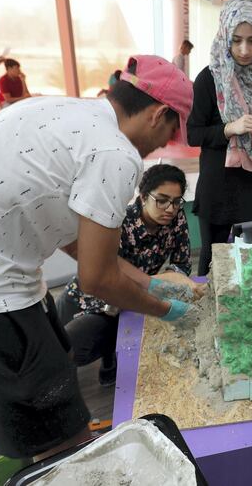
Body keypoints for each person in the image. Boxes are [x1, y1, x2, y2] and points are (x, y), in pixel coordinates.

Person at [0, 55, 195, 461]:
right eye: (168, 133)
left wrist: (149, 282)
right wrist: (165, 309)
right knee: (61, 445)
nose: (162, 146)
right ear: (159, 113)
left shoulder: (59, 109)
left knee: (58, 387)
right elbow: (97, 280)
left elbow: (73, 241)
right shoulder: (115, 153)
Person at [57, 164, 193, 386]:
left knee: (79, 345)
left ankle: (109, 356)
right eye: (162, 200)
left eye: (176, 202)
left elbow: (182, 263)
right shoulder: (119, 220)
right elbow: (106, 270)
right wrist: (156, 285)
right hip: (88, 294)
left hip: (125, 301)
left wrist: (168, 282)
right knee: (59, 346)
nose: (170, 208)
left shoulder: (176, 220)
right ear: (143, 197)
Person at [187, 0, 252, 277]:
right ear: (224, 37)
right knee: (212, 257)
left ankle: (245, 313)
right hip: (217, 185)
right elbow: (194, 134)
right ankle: (208, 309)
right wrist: (230, 128)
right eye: (236, 40)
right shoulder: (209, 79)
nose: (245, 50)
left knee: (248, 257)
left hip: (251, 187)